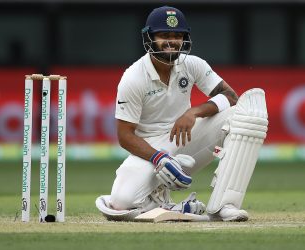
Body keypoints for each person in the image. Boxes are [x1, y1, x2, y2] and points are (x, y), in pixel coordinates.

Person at [96, 6, 268, 222]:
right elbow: (125, 136)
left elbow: (231, 96)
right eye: (164, 35)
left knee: (244, 115)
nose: (172, 41)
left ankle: (225, 204)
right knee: (120, 203)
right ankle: (166, 204)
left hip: (186, 138)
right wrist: (159, 158)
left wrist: (194, 112)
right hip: (150, 148)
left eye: (177, 36)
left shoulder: (192, 64)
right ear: (150, 38)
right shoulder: (133, 78)